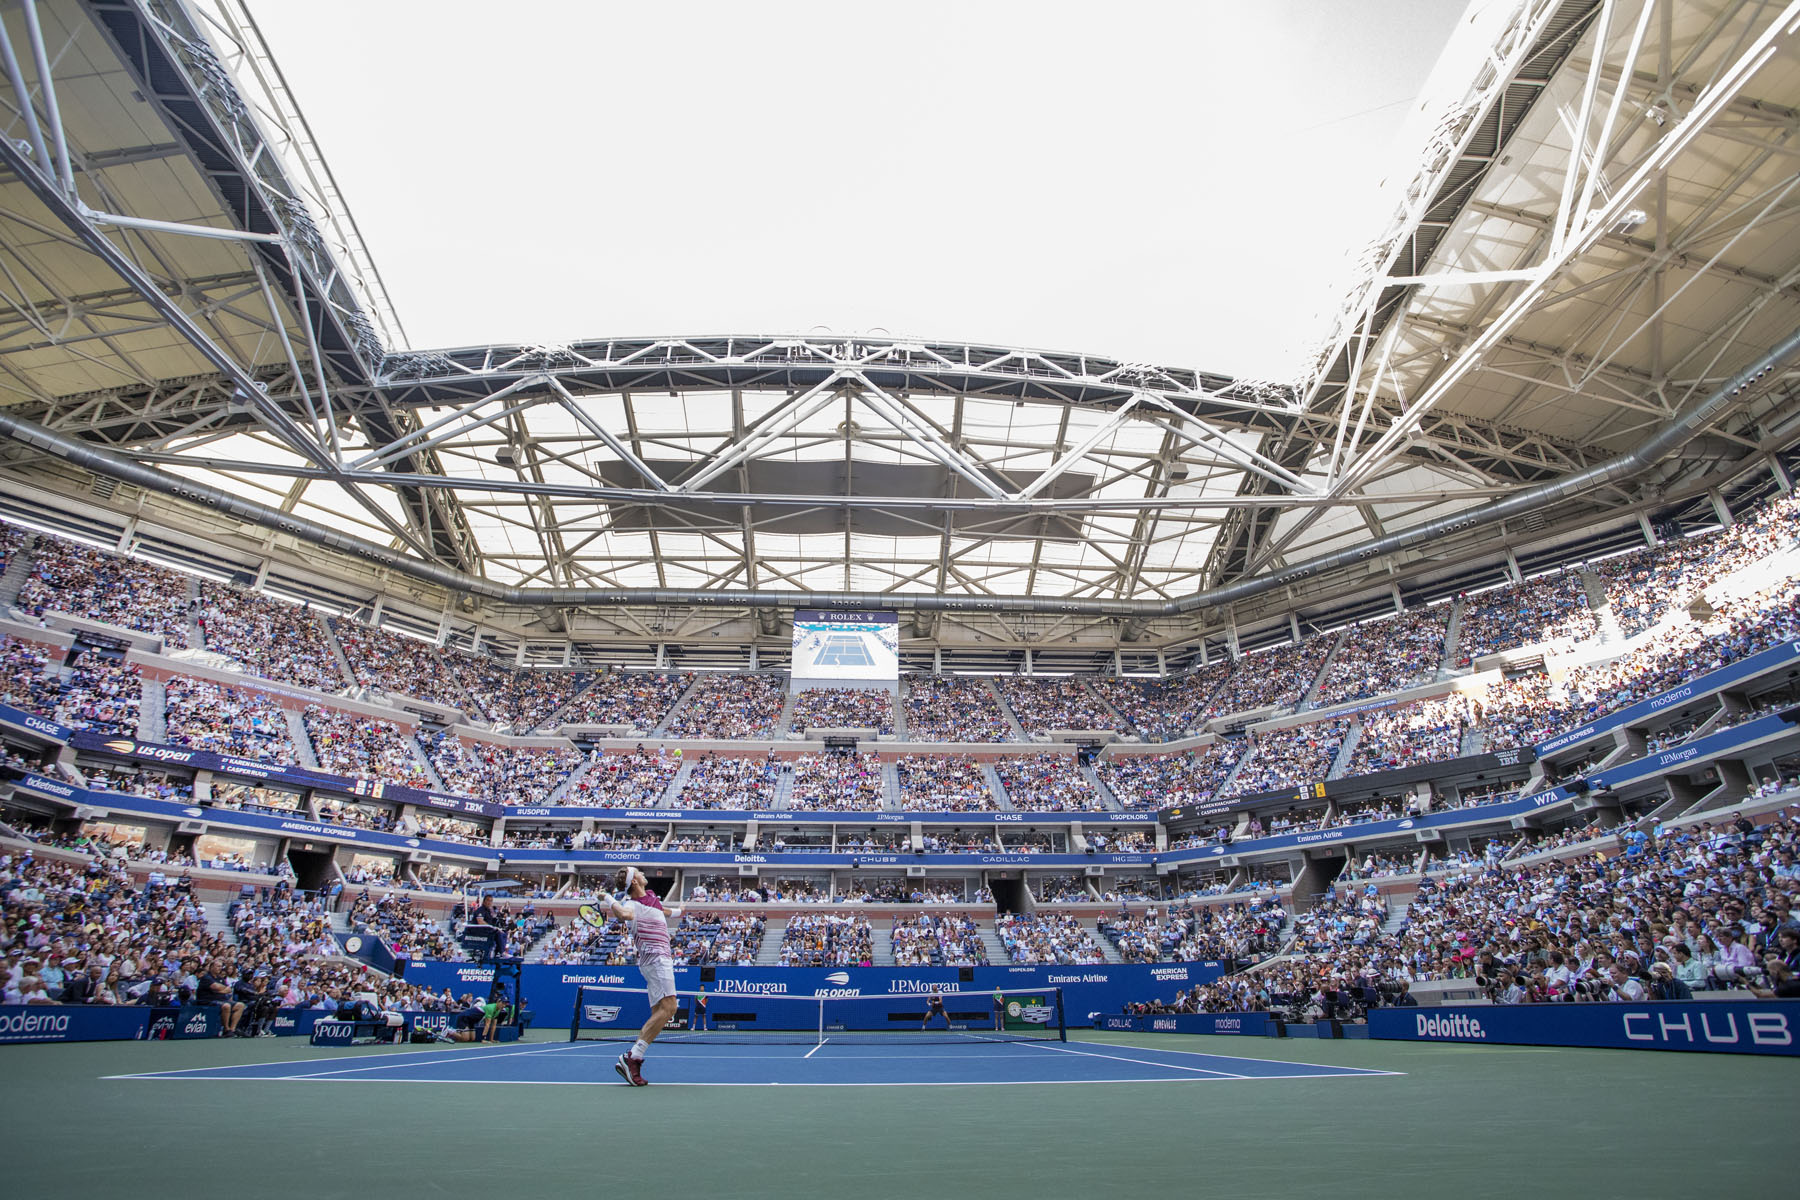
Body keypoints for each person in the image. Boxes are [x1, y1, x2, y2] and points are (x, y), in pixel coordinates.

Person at [595, 866, 684, 1086]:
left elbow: (662, 911)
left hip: (655, 961)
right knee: (670, 1008)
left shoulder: (651, 897)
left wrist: (681, 911)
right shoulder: (631, 905)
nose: (644, 874)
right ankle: (632, 1056)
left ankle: (635, 1058)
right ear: (634, 881)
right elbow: (624, 915)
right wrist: (607, 897)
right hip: (656, 960)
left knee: (659, 1012)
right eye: (639, 873)